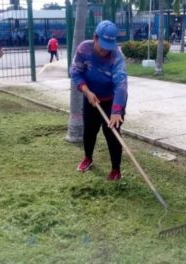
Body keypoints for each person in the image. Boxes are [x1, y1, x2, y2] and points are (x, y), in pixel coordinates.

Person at [70, 20, 128, 181]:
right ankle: (88, 158)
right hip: (91, 97)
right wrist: (87, 92)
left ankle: (116, 169)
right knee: (89, 129)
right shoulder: (84, 49)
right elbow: (75, 72)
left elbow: (121, 84)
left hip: (113, 99)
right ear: (95, 37)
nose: (105, 51)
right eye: (102, 45)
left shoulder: (116, 56)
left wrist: (117, 111)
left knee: (112, 133)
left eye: (109, 46)